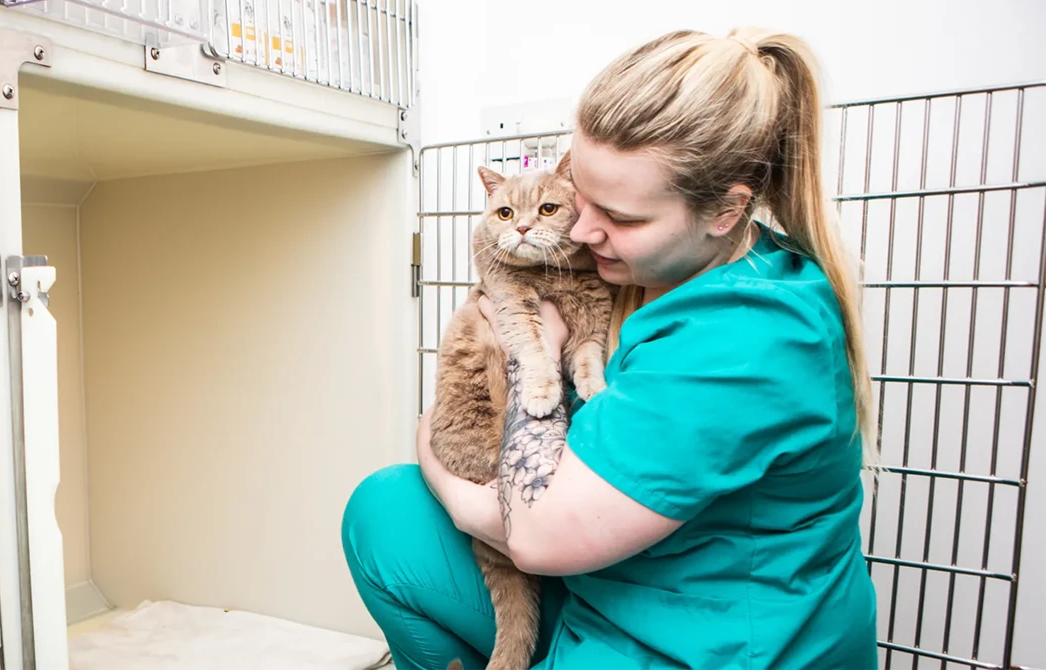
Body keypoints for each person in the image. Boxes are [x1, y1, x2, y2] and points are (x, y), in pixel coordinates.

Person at [341, 26, 880, 670]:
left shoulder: (748, 339)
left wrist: (450, 479)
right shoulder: (659, 271)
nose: (586, 228)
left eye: (621, 217)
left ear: (726, 212)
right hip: (615, 588)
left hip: (703, 644)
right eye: (582, 201)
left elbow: (536, 537)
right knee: (385, 508)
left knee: (429, 498)